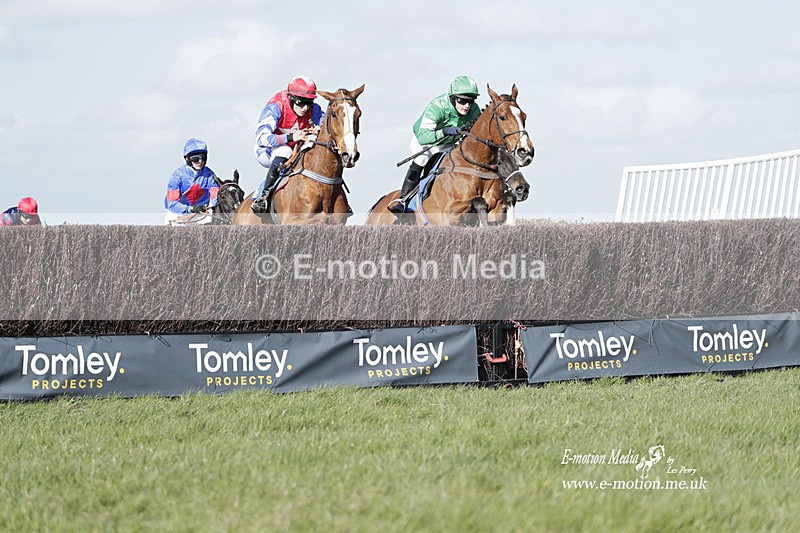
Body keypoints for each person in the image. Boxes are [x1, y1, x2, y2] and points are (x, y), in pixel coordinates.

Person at [389, 75, 482, 214]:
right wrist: (444, 131)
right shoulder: (437, 107)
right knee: (421, 159)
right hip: (426, 142)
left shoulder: (475, 110)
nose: (467, 106)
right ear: (452, 97)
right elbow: (424, 137)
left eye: (471, 101)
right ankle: (403, 201)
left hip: (450, 144)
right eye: (462, 101)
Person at [251, 75, 325, 213]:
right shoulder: (275, 107)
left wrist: (319, 129)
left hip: (296, 149)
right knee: (284, 151)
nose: (305, 108)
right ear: (291, 97)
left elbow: (327, 125)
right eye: (300, 102)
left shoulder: (313, 109)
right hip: (267, 150)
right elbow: (262, 138)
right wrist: (291, 137)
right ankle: (263, 197)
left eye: (308, 103)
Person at [164, 138, 219, 224]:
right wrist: (191, 209)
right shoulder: (177, 176)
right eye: (196, 159)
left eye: (203, 158)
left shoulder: (209, 175)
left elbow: (216, 198)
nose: (200, 161)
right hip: (178, 214)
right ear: (187, 158)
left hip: (201, 214)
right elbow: (172, 204)